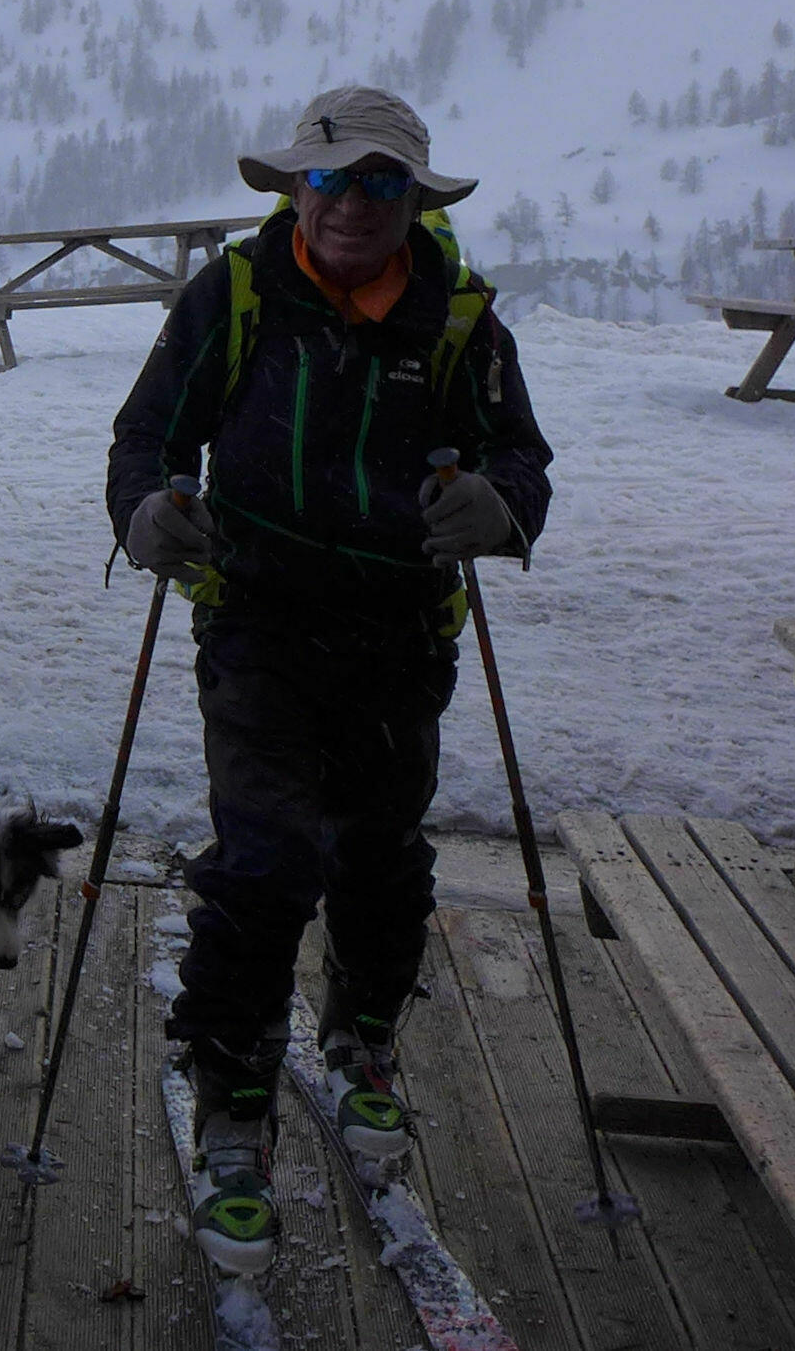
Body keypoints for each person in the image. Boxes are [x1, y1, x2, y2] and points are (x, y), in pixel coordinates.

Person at [103, 86, 553, 1273]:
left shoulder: (460, 319)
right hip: (255, 624)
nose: (353, 203)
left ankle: (361, 1037)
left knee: (380, 854)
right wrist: (145, 513)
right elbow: (148, 436)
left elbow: (521, 455)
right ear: (295, 189)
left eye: (381, 182)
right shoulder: (237, 295)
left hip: (401, 636)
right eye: (331, 179)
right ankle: (234, 1094)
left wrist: (500, 506)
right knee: (265, 860)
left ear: (414, 198)